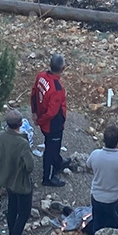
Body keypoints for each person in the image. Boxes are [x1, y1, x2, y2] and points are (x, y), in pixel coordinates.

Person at [0, 109, 34, 235]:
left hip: (6, 179)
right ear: (21, 123)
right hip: (21, 183)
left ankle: (13, 234)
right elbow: (30, 166)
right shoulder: (22, 143)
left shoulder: (0, 136)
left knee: (12, 208)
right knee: (24, 213)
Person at [87, 125, 118, 234]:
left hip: (97, 196)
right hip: (115, 199)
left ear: (103, 140)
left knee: (97, 224)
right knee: (112, 228)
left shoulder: (95, 154)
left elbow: (88, 166)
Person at [30, 54, 69, 187]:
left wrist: (34, 112)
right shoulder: (57, 89)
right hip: (53, 125)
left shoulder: (41, 76)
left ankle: (58, 162)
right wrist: (40, 121)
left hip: (43, 119)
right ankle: (48, 177)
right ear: (63, 68)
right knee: (51, 150)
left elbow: (34, 93)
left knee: (53, 146)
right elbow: (52, 112)